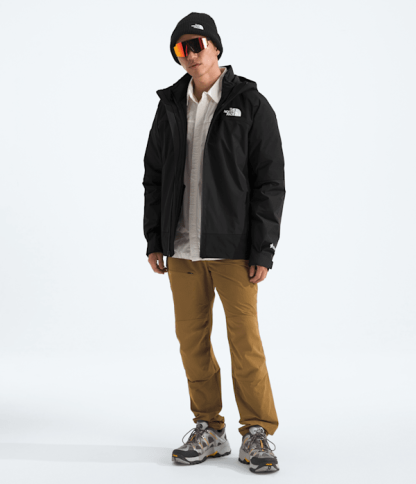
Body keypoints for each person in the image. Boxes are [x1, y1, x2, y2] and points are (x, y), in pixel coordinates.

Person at [142, 12, 286, 474]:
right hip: (182, 249)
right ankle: (209, 427)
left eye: (197, 44)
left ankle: (257, 431)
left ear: (216, 47)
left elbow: (269, 181)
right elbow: (154, 177)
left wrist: (263, 247)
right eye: (181, 48)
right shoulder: (170, 105)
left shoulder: (250, 103)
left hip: (234, 249)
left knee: (245, 342)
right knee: (192, 343)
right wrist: (155, 238)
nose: (190, 54)